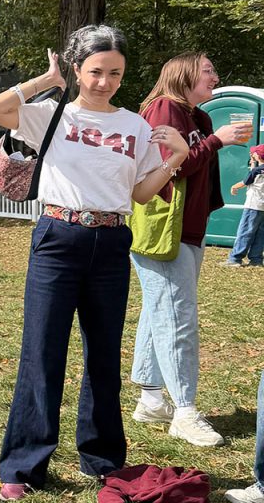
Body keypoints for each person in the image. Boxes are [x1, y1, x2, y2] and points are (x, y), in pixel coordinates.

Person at [0, 26, 190, 501]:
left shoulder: (136, 126)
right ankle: (24, 464)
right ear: (77, 70)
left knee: (103, 355)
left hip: (113, 240)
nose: (104, 81)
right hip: (58, 237)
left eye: (115, 73)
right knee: (42, 351)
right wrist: (44, 80)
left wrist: (175, 158)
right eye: (95, 71)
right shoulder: (51, 114)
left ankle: (102, 459)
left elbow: (138, 193)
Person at [128, 52, 249, 448]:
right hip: (164, 228)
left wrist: (212, 139)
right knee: (178, 317)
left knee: (160, 308)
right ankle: (184, 411)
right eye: (209, 70)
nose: (216, 76)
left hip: (189, 229)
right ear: (184, 75)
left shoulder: (199, 116)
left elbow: (195, 167)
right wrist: (217, 141)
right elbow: (170, 166)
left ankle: (150, 400)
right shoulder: (164, 107)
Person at [223, 145, 264, 267]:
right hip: (262, 207)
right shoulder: (258, 170)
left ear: (258, 156)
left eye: (254, 153)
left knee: (245, 231)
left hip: (253, 205)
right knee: (260, 234)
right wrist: (253, 165)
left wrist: (234, 186)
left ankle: (235, 259)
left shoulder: (256, 171)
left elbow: (247, 181)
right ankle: (256, 260)